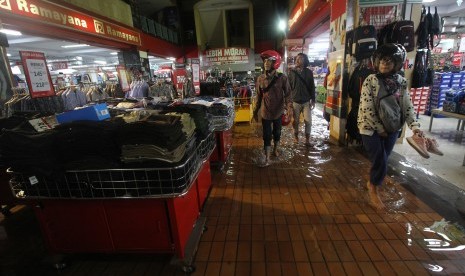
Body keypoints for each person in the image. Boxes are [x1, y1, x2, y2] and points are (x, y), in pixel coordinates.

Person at [357, 43, 424, 210]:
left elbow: (407, 106)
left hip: (392, 128)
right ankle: (373, 187)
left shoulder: (401, 82)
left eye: (389, 61)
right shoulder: (370, 81)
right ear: (377, 62)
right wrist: (380, 129)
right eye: (382, 60)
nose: (385, 64)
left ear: (397, 63)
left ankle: (373, 180)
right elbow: (367, 107)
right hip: (369, 128)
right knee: (380, 159)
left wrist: (415, 127)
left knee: (384, 159)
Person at [253, 50, 292, 167]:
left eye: (269, 61)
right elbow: (258, 97)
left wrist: (289, 108)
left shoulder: (282, 78)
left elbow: (288, 94)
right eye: (265, 61)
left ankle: (276, 149)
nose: (266, 63)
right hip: (265, 111)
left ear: (275, 62)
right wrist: (255, 111)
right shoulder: (260, 79)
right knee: (266, 134)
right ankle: (267, 157)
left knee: (277, 132)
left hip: (278, 111)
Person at [288, 53, 316, 145]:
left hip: (306, 102)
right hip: (295, 101)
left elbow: (312, 86)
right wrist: (288, 102)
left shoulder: (309, 72)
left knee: (308, 121)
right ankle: (296, 137)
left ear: (304, 61)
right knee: (295, 122)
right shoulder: (291, 72)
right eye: (297, 58)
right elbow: (288, 88)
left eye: (300, 58)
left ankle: (307, 140)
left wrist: (313, 100)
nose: (297, 60)